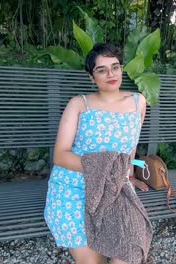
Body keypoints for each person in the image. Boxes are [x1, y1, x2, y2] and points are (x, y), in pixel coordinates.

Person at [44, 43, 149, 264]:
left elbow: (131, 145)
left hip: (114, 189)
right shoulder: (78, 105)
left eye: (115, 67)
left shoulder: (139, 102)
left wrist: (129, 174)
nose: (110, 74)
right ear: (92, 77)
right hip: (74, 187)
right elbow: (60, 156)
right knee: (94, 262)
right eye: (101, 69)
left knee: (128, 255)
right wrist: (106, 167)